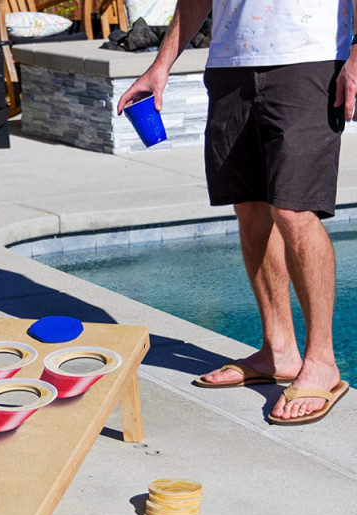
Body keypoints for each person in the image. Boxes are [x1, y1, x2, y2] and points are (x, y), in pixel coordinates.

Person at [118, 1, 356, 425]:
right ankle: (277, 349)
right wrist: (161, 64)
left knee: (294, 210)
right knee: (249, 205)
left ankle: (322, 361)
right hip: (230, 63)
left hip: (309, 58)